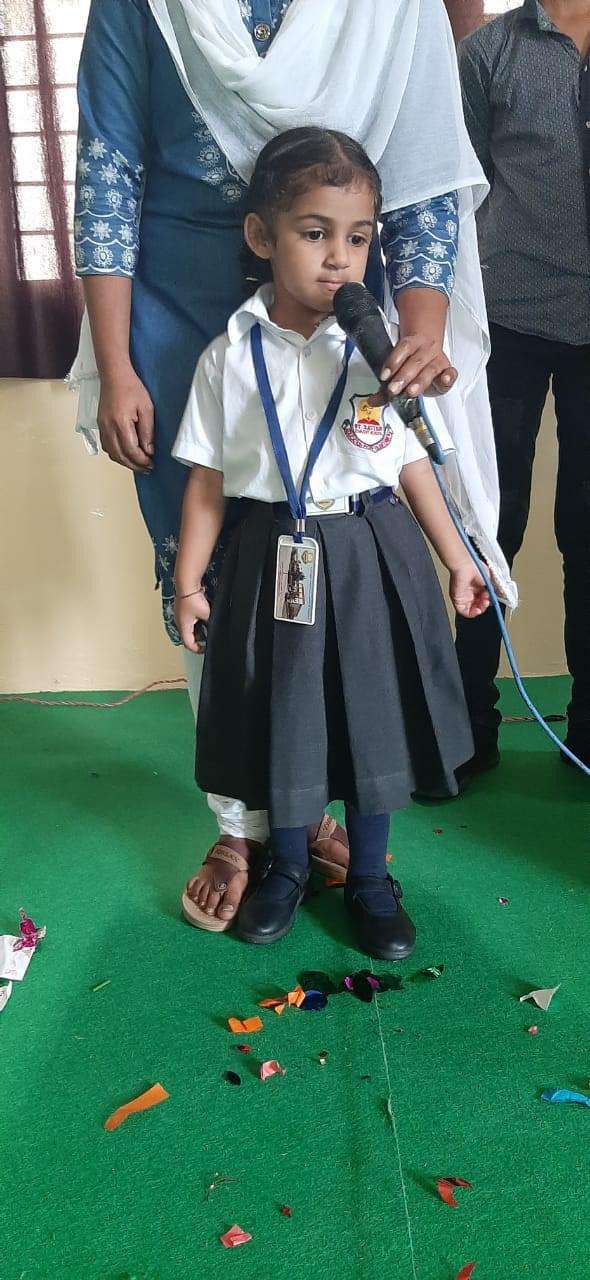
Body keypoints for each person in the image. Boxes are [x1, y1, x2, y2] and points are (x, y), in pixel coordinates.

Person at [70, 0, 514, 931]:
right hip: (180, 314)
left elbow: (425, 174)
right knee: (212, 596)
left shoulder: (393, 9)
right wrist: (116, 366)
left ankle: (314, 812)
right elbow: (108, 172)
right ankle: (243, 826)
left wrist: (416, 340)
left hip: (347, 312)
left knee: (349, 627)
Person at [172, 126, 493, 959]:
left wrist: (460, 558)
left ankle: (373, 877)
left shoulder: (377, 352)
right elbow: (206, 479)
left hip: (369, 552)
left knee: (373, 717)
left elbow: (411, 463)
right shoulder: (229, 357)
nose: (338, 258)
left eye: (358, 238)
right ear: (261, 235)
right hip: (270, 555)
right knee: (284, 715)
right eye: (315, 233)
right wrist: (189, 583)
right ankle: (285, 867)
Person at [457, 0, 590, 777]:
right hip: (505, 323)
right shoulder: (488, 54)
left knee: (589, 531)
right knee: (488, 527)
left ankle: (587, 729)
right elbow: (458, 189)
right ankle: (469, 729)